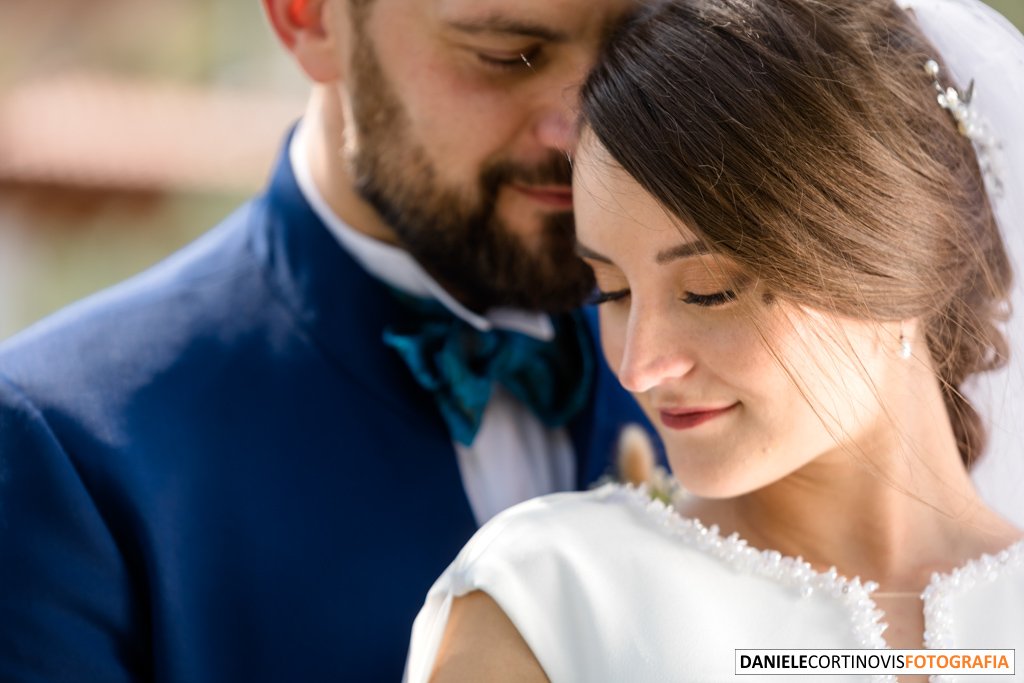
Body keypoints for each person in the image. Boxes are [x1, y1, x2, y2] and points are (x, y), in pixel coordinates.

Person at [0, 0, 658, 680]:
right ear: (307, 19)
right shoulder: (60, 445)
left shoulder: (752, 367)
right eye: (507, 54)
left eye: (634, 51)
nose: (584, 131)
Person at [404, 0, 1024, 680]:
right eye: (610, 291)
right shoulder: (548, 598)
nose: (640, 367)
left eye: (708, 291)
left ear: (901, 261)